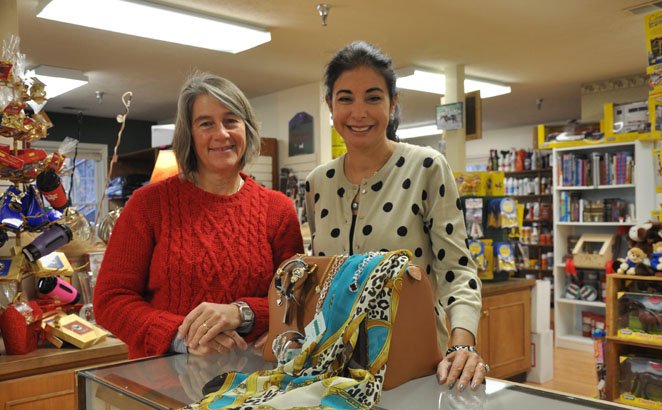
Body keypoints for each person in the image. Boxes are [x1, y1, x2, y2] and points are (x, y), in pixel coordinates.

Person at [305, 42, 486, 391]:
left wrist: (463, 344)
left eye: (373, 97)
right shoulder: (318, 183)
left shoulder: (427, 167)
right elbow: (321, 278)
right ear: (330, 105)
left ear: (393, 103)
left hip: (412, 371)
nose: (359, 113)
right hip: (331, 374)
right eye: (345, 98)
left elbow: (458, 269)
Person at [95, 71, 304, 359]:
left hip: (253, 384)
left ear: (246, 128)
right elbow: (110, 301)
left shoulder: (278, 210)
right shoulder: (149, 205)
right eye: (206, 123)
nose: (221, 134)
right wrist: (184, 337)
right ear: (189, 135)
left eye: (231, 120)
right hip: (164, 384)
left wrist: (242, 313)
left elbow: (297, 298)